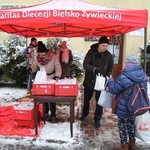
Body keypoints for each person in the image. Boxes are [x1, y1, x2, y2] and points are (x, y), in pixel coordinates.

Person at [106, 54, 148, 150]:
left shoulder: (124, 76)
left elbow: (114, 89)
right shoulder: (143, 76)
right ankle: (132, 144)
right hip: (135, 106)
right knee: (131, 125)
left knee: (123, 127)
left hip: (124, 106)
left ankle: (124, 147)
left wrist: (111, 80)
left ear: (127, 64)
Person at [79, 36, 113, 128]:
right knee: (86, 100)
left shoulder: (109, 55)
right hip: (90, 81)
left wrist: (108, 74)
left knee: (100, 102)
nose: (105, 48)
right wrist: (94, 69)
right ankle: (84, 114)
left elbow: (110, 68)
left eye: (106, 46)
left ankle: (97, 119)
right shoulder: (91, 52)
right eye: (103, 46)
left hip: (101, 82)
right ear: (99, 45)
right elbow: (85, 64)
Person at [30, 41, 62, 123]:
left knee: (52, 98)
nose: (41, 55)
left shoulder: (53, 57)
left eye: (43, 54)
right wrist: (30, 69)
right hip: (42, 79)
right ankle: (46, 112)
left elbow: (58, 67)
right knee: (43, 97)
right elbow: (34, 66)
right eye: (40, 54)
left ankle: (53, 115)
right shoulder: (37, 58)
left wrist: (57, 76)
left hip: (52, 78)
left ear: (46, 52)